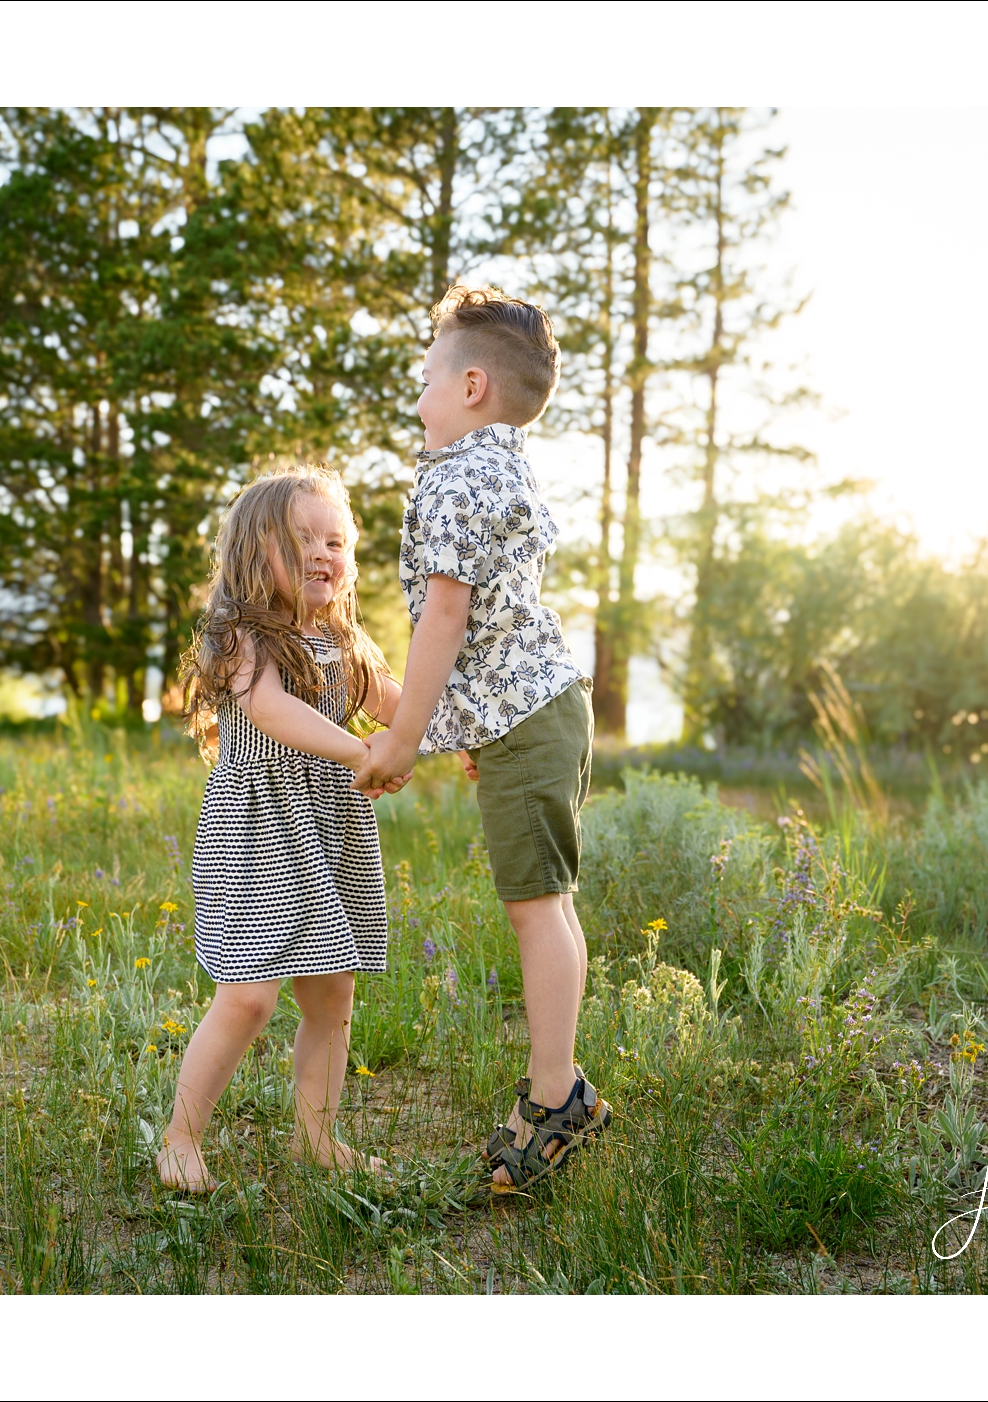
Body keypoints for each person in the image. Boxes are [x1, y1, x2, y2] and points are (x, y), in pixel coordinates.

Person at [352, 284, 611, 1193]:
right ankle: (561, 1083)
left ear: (469, 387)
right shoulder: (505, 468)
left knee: (536, 906)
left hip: (530, 715)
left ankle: (555, 1095)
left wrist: (404, 739)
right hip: (536, 709)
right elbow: (492, 618)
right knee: (550, 900)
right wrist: (471, 724)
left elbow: (447, 620)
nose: (417, 399)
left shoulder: (462, 476)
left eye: (425, 380)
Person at [155, 466, 405, 1194]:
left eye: (336, 540)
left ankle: (317, 1137)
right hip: (260, 832)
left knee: (332, 991)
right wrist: (361, 750)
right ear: (251, 553)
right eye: (302, 539)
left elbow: (398, 703)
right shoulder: (240, 637)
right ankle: (180, 1137)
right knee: (249, 995)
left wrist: (452, 734)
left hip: (327, 831)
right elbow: (267, 710)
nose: (324, 553)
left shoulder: (343, 643)